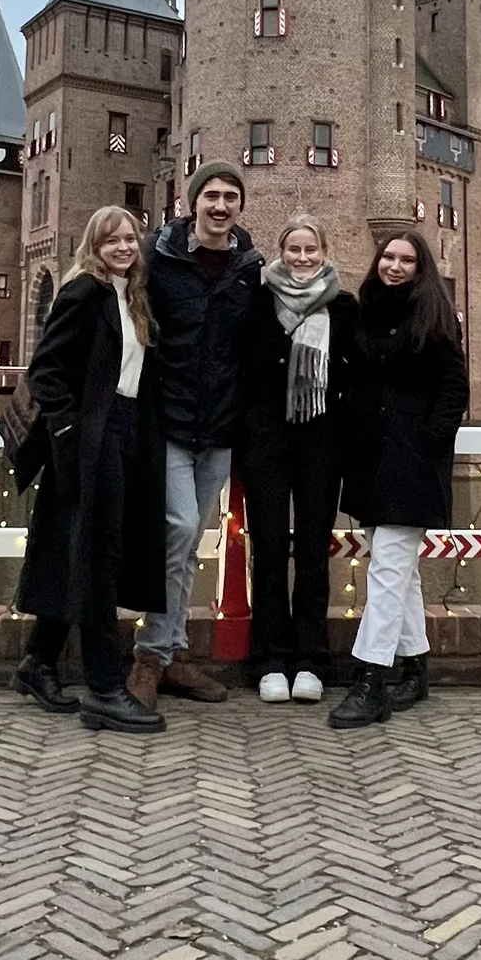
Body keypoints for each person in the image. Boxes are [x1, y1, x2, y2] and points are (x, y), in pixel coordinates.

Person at [12, 206, 167, 735]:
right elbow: (45, 372)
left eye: (130, 238)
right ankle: (104, 688)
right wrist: (71, 433)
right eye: (112, 241)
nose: (124, 247)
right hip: (90, 439)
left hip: (121, 434)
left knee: (80, 549)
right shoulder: (84, 292)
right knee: (99, 558)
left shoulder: (132, 296)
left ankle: (38, 662)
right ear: (94, 247)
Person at [127, 162, 263, 710]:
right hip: (169, 419)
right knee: (179, 529)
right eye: (212, 195)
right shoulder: (157, 259)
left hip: (221, 425)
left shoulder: (250, 267)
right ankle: (149, 653)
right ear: (193, 202)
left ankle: (167, 654)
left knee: (186, 544)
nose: (221, 205)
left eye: (231, 196)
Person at [329, 230, 468, 730]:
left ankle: (372, 679)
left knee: (387, 566)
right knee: (399, 569)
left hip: (410, 456)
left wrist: (430, 442)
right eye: (388, 256)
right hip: (371, 453)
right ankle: (416, 667)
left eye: (406, 259)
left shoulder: (432, 315)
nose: (394, 265)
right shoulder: (363, 311)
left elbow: (455, 387)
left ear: (420, 267)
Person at [241, 216, 357, 704]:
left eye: (311, 249)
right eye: (294, 249)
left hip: (321, 441)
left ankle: (311, 658)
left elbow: (357, 374)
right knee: (268, 549)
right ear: (280, 252)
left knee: (313, 550)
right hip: (266, 438)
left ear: (325, 252)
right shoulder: (258, 299)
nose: (303, 258)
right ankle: (270, 658)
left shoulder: (344, 307)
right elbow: (242, 364)